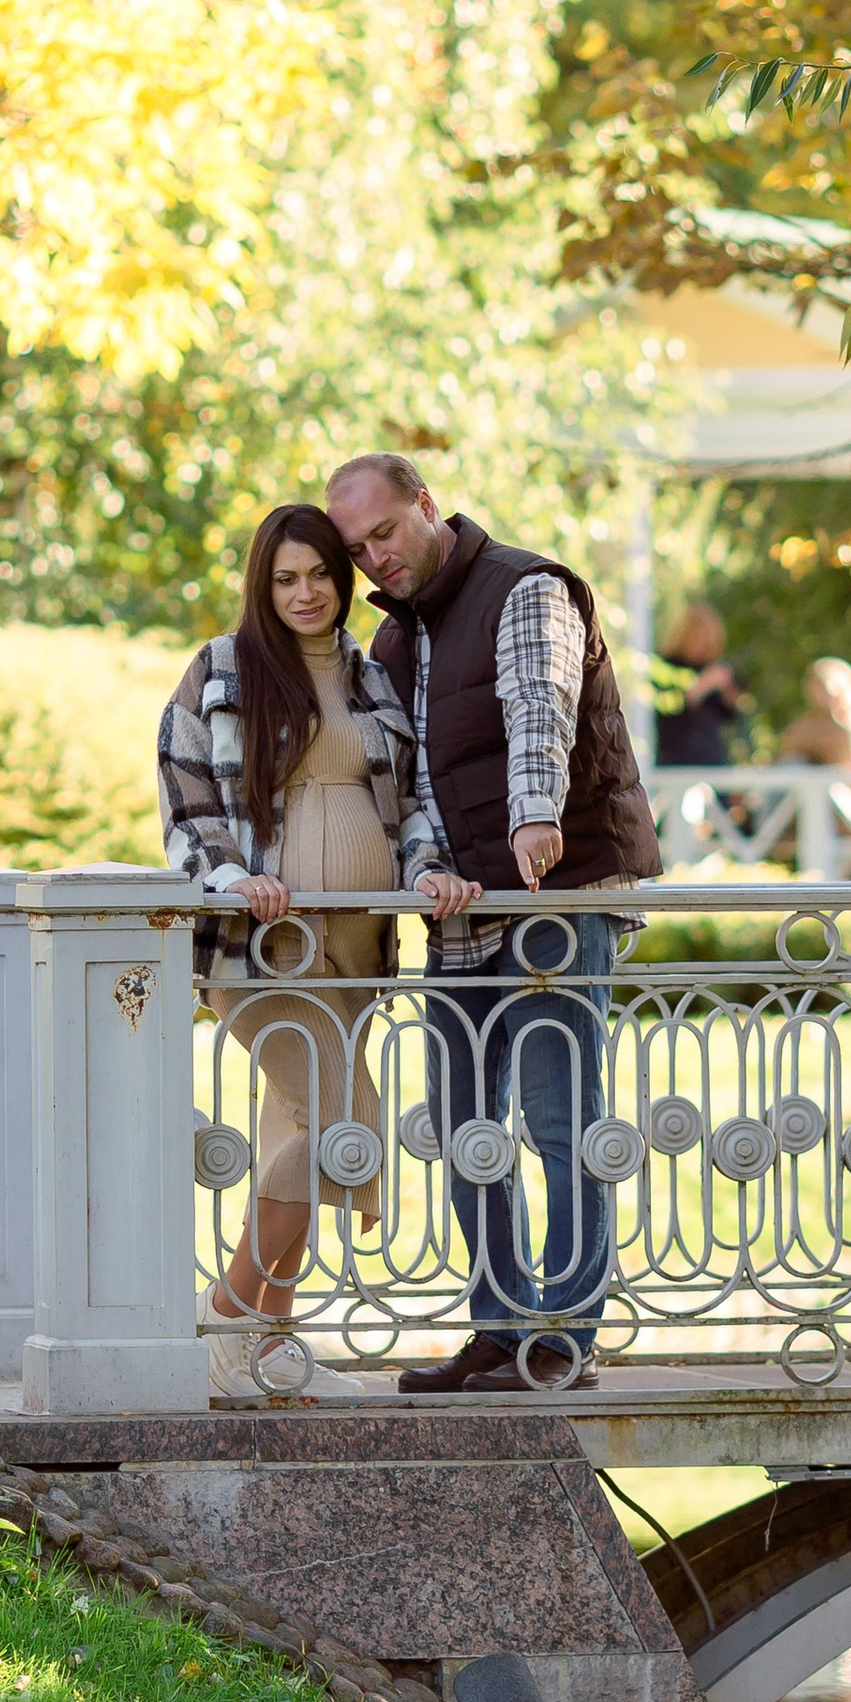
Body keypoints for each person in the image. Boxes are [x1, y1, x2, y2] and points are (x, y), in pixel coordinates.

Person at [325, 451, 663, 1394]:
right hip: (465, 907)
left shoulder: (524, 589)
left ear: (427, 506)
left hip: (557, 895)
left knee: (562, 1120)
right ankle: (500, 1323)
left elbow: (538, 708)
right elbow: (414, 784)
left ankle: (568, 1336)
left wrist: (533, 817)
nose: (375, 561)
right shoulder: (395, 643)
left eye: (384, 533)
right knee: (464, 1119)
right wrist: (427, 867)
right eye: (357, 550)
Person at [158, 503, 479, 1401]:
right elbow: (186, 799)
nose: (306, 593)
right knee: (341, 1125)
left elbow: (411, 802)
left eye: (321, 575)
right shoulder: (221, 670)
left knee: (301, 1128)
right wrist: (229, 878)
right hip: (264, 947)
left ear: (345, 580)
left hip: (358, 947)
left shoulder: (371, 676)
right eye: (285, 578)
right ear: (263, 586)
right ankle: (225, 1314)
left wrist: (428, 871)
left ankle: (268, 1348)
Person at [776, 653, 851, 866]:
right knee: (792, 769)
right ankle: (771, 835)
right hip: (828, 820)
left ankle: (769, 834)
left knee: (795, 770)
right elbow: (789, 743)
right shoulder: (816, 723)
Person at [654, 599, 746, 767]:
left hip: (710, 759)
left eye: (705, 641)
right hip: (675, 760)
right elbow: (671, 706)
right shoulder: (665, 667)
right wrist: (703, 684)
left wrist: (729, 694)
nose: (699, 646)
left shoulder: (714, 667)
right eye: (694, 638)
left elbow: (731, 716)